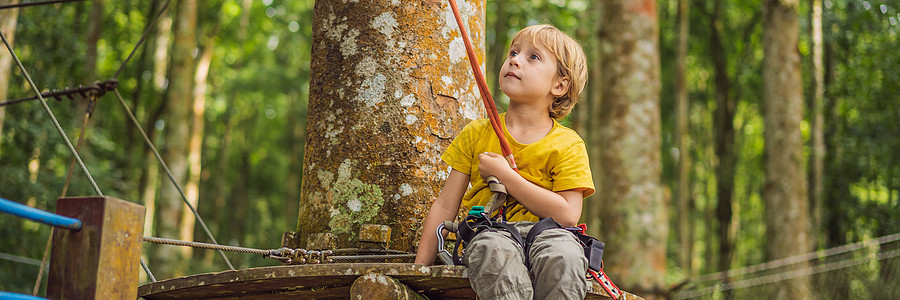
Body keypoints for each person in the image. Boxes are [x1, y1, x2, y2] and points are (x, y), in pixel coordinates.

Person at [414, 24, 593, 300]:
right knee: (492, 251)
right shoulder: (476, 134)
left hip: (550, 236)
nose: (515, 59)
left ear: (559, 85)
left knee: (566, 256)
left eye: (533, 57)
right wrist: (419, 269)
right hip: (491, 231)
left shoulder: (568, 144)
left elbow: (568, 215)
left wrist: (506, 177)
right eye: (514, 52)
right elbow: (445, 204)